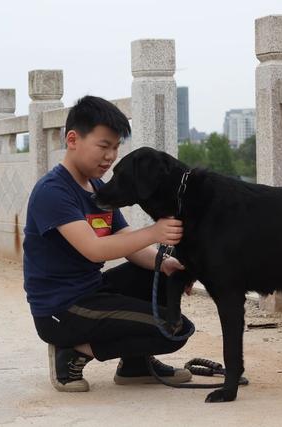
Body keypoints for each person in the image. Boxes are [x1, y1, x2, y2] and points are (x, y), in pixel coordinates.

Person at [23, 95, 195, 392]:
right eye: (103, 146)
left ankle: (135, 365)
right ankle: (73, 351)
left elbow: (128, 241)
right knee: (175, 329)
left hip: (92, 291)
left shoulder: (96, 188)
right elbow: (95, 249)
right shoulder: (53, 192)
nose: (110, 156)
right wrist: (156, 231)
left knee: (167, 281)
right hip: (62, 309)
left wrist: (164, 264)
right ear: (73, 139)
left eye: (115, 147)